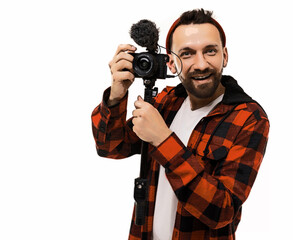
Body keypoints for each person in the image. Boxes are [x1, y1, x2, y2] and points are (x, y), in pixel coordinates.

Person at [91, 8, 269, 240]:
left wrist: (163, 140)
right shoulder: (166, 102)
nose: (201, 64)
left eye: (210, 51)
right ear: (172, 64)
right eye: (187, 54)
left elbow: (221, 211)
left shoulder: (248, 117)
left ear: (225, 55)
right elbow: (110, 147)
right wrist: (115, 96)